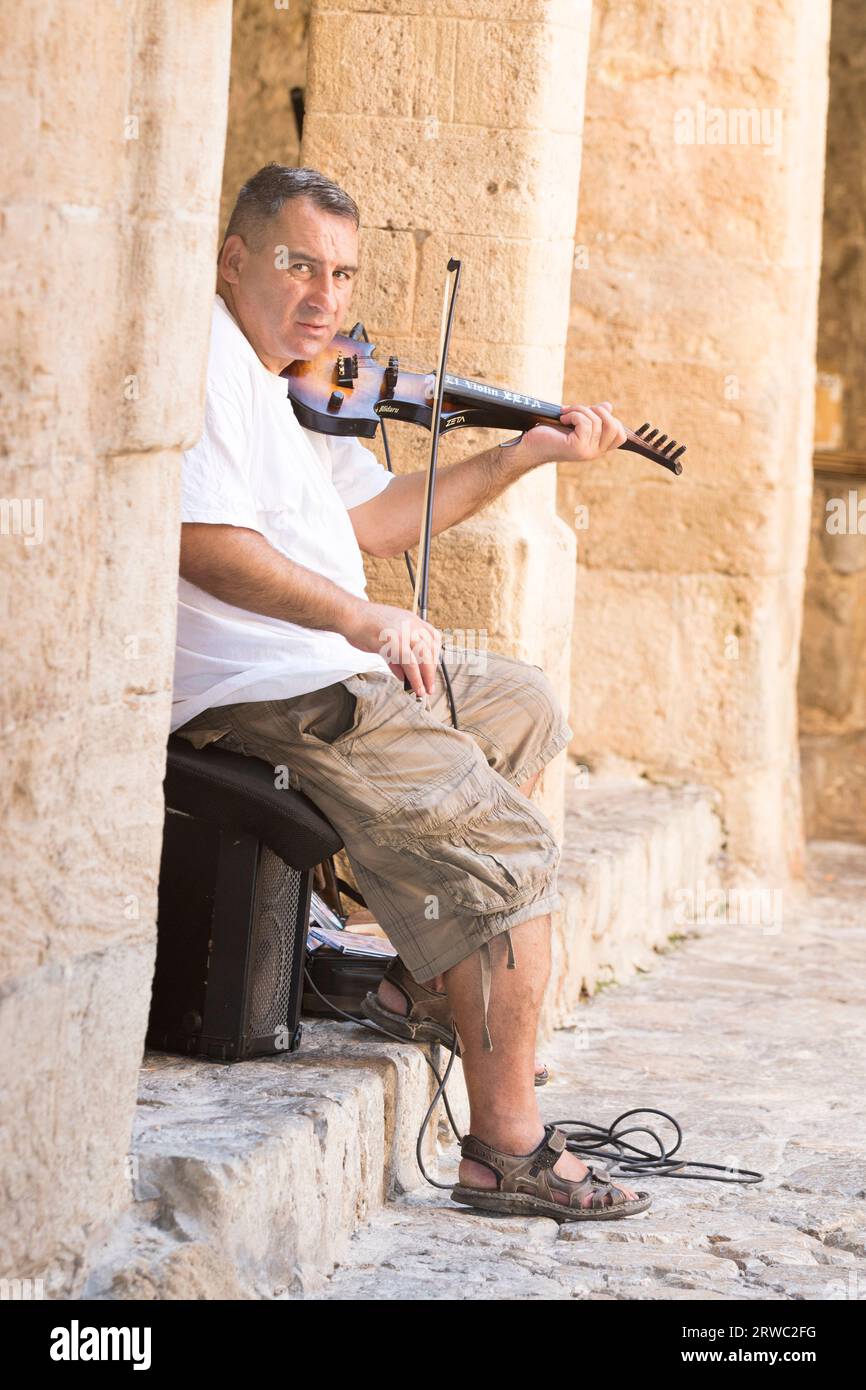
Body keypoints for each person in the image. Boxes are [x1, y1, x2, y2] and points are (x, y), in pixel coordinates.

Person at [172, 163, 651, 1221]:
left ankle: (427, 980)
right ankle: (503, 1149)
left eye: (341, 274)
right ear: (234, 258)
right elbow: (201, 543)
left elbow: (374, 522)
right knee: (514, 855)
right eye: (299, 263)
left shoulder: (280, 378)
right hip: (267, 690)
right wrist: (359, 619)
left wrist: (521, 457)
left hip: (317, 667)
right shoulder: (205, 360)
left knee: (515, 701)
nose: (324, 298)